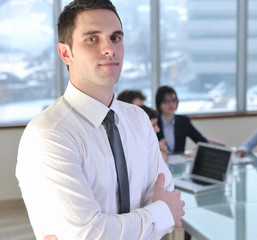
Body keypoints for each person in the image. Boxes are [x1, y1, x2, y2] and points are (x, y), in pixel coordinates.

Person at [16, 1, 184, 239]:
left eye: (115, 37)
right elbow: (90, 234)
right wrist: (160, 214)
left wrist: (157, 214)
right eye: (92, 39)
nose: (109, 49)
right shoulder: (48, 134)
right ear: (65, 53)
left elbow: (166, 195)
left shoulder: (138, 119)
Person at [155, 85, 208, 154]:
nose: (171, 104)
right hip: (160, 161)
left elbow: (203, 142)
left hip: (179, 162)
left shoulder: (183, 121)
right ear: (159, 104)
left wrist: (195, 151)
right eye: (166, 101)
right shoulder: (154, 123)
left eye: (173, 100)